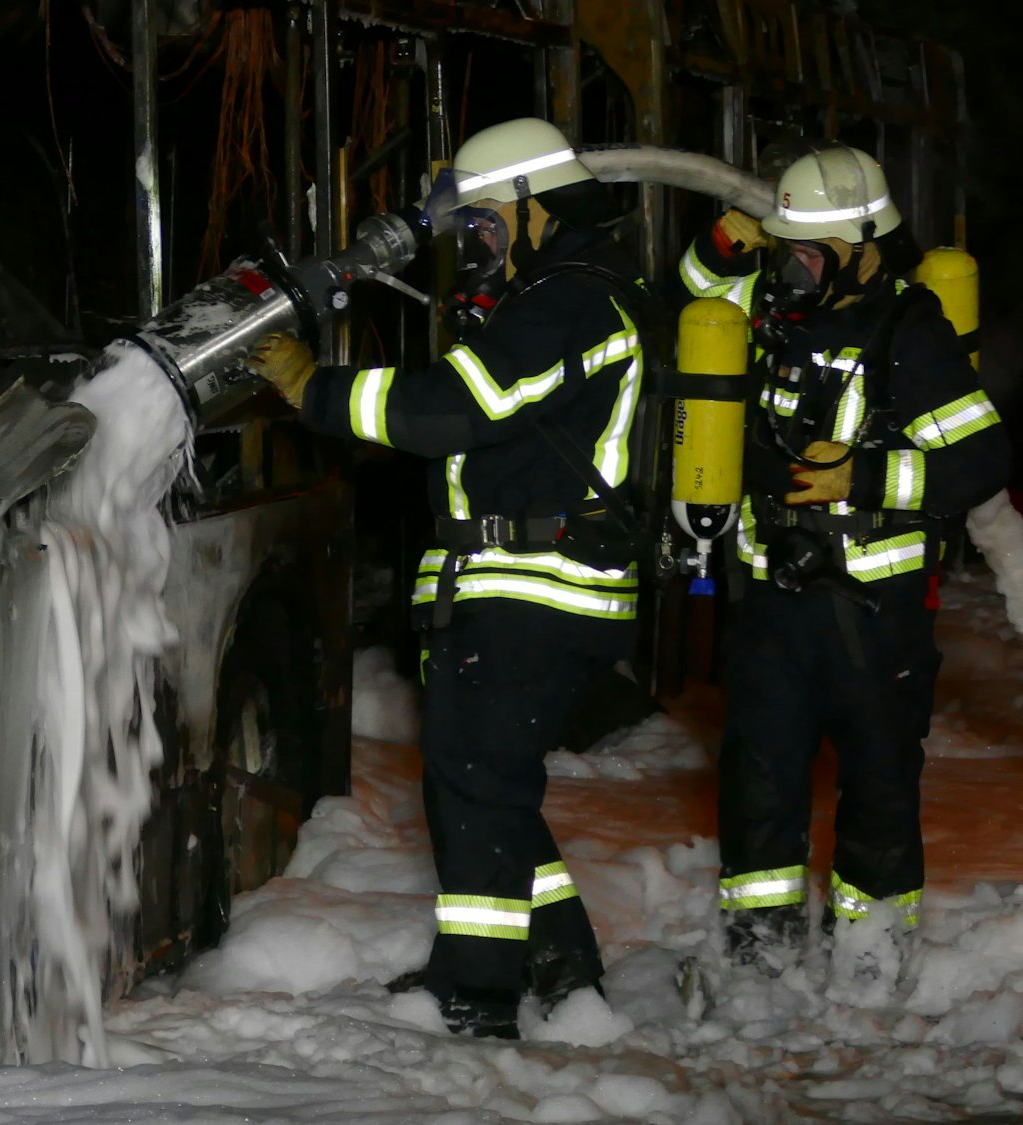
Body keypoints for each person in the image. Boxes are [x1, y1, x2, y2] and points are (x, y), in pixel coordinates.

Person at [242, 117, 655, 1039]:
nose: (472, 245)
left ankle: (477, 990)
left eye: (483, 223)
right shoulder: (553, 293)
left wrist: (316, 387)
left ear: (534, 209)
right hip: (522, 581)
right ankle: (562, 964)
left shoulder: (566, 303)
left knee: (474, 781)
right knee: (490, 786)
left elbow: (455, 407)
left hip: (538, 586)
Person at [678, 146, 1010, 979]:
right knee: (757, 786)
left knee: (880, 786)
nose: (790, 269)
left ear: (863, 246)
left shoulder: (913, 334)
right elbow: (686, 300)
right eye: (783, 249)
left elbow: (982, 461)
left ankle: (871, 960)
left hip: (874, 609)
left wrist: (859, 477)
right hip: (770, 603)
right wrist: (724, 243)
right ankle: (761, 962)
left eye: (807, 252)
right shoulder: (768, 309)